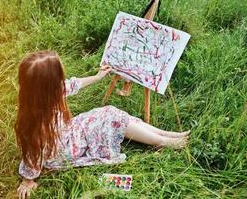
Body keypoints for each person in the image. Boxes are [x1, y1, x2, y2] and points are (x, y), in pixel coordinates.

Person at [15, 51, 190, 198]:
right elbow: (32, 154)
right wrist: (28, 179)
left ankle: (163, 134)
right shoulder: (37, 123)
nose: (63, 80)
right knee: (111, 117)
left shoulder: (46, 94)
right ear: (48, 86)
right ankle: (161, 142)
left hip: (69, 132)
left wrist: (98, 77)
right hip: (66, 149)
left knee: (109, 112)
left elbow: (74, 84)